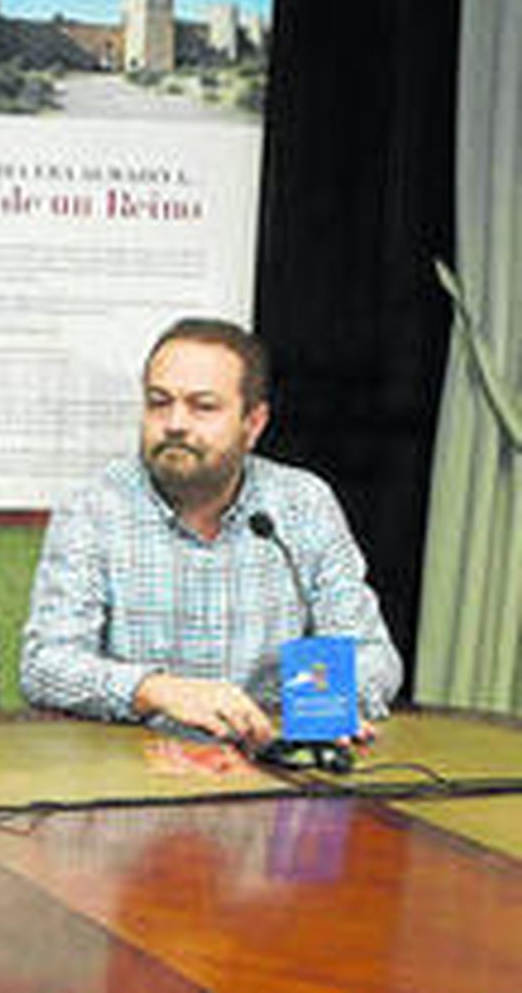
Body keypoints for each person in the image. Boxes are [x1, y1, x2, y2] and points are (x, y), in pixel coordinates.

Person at [20, 318, 402, 746]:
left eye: (203, 406)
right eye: (158, 402)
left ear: (253, 424)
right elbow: (45, 665)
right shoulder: (96, 507)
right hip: (138, 765)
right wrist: (158, 691)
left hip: (274, 759)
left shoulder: (302, 503)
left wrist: (320, 704)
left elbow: (373, 656)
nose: (175, 423)